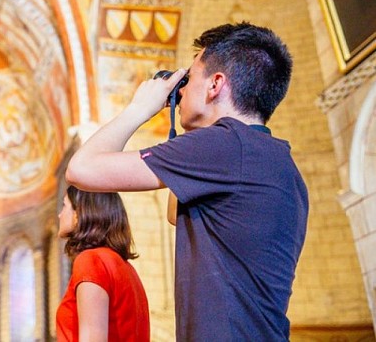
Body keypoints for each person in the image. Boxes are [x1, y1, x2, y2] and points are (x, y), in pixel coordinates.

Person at [66, 22, 308, 340]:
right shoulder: (278, 162)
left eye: (190, 79)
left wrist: (140, 108)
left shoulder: (223, 146)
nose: (180, 92)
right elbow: (174, 216)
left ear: (215, 85)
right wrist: (190, 127)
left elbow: (82, 169)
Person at [56, 185, 150, 342]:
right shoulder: (126, 267)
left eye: (64, 205)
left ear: (78, 214)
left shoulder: (91, 261)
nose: (59, 215)